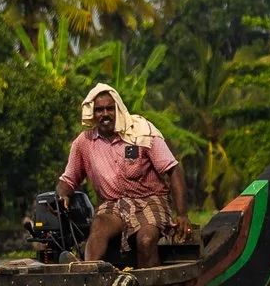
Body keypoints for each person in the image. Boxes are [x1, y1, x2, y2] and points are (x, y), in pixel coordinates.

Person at [55, 83, 191, 266]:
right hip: (112, 204)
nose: (105, 114)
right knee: (98, 229)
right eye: (99, 110)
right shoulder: (84, 143)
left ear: (118, 109)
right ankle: (87, 275)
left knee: (146, 239)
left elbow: (173, 169)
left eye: (110, 109)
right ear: (92, 114)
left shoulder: (141, 131)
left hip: (149, 199)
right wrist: (62, 195)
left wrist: (182, 214)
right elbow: (68, 180)